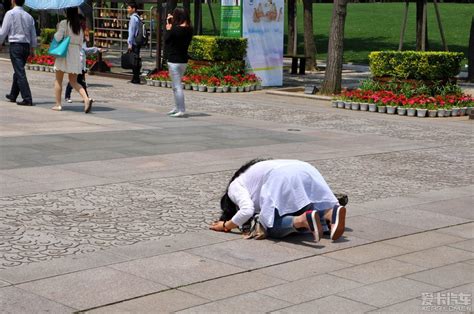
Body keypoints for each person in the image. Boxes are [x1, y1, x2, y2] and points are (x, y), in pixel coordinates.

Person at [210, 159, 347, 242]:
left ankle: (302, 220)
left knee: (272, 227)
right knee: (302, 207)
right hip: (305, 168)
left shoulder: (234, 187)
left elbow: (247, 210)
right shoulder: (250, 173)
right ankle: (328, 214)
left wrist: (225, 225)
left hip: (281, 176)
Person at [52, 7, 92, 113]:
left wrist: (57, 29)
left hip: (64, 52)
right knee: (74, 81)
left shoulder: (64, 23)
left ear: (66, 12)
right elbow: (80, 41)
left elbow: (57, 38)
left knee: (58, 80)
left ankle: (58, 104)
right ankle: (86, 99)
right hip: (75, 53)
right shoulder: (78, 25)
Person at [0, 0, 37, 106]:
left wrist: (0, 43)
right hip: (25, 46)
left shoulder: (10, 13)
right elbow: (33, 34)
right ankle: (13, 94)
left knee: (20, 72)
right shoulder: (29, 16)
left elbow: (3, 32)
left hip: (15, 45)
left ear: (12, 1)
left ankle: (27, 98)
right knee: (18, 70)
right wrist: (33, 48)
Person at [64, 15, 104, 103]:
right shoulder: (74, 34)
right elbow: (84, 49)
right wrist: (96, 49)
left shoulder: (80, 34)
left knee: (80, 81)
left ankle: (85, 97)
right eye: (82, 22)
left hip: (80, 61)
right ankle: (68, 96)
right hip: (75, 60)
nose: (84, 24)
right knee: (74, 80)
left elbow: (84, 49)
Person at [164, 7, 193, 118]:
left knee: (177, 86)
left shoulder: (175, 30)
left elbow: (167, 40)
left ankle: (181, 109)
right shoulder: (190, 29)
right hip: (183, 61)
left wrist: (168, 27)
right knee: (176, 86)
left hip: (174, 60)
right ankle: (177, 107)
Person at [126, 1, 142, 84]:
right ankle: (136, 77)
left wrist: (129, 43)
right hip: (138, 42)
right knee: (136, 59)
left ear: (133, 9)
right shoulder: (138, 17)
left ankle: (135, 78)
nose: (127, 9)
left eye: (129, 8)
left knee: (134, 60)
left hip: (134, 42)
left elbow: (131, 32)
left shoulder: (133, 18)